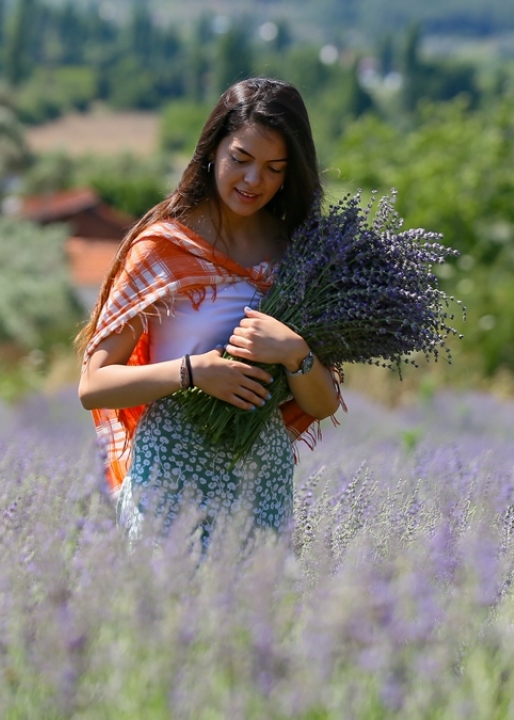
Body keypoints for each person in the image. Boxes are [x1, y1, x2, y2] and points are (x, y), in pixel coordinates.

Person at [76, 78, 341, 545]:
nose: (253, 181)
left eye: (274, 168)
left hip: (262, 480)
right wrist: (192, 373)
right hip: (170, 472)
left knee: (248, 617)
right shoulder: (162, 247)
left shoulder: (301, 255)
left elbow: (322, 404)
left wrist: (294, 352)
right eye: (240, 160)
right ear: (213, 150)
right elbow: (93, 385)